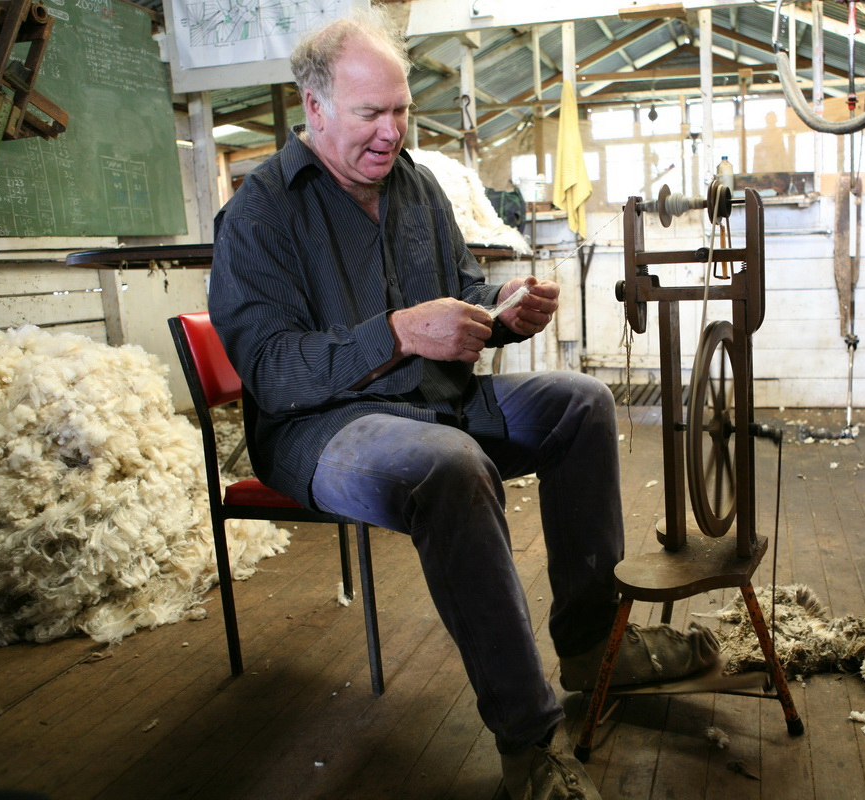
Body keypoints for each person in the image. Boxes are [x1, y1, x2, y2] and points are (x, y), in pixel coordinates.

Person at [208, 10, 720, 798]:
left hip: (435, 396)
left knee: (580, 403)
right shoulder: (260, 215)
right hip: (320, 429)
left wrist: (503, 308)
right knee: (447, 466)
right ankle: (526, 739)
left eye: (402, 109)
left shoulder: (412, 184)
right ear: (313, 108)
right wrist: (399, 333)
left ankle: (591, 649)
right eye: (369, 114)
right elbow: (273, 371)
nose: (391, 132)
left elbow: (457, 294)